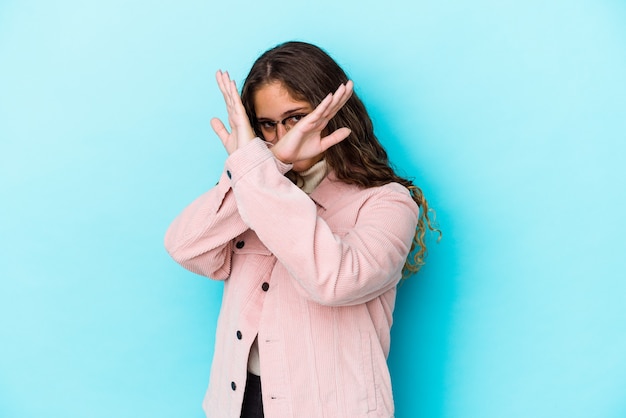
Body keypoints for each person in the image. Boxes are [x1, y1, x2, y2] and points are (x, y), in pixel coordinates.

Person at [164, 41, 438, 418]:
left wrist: (260, 176)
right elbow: (187, 248)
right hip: (240, 401)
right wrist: (268, 165)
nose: (283, 134)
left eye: (296, 117)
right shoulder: (253, 192)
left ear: (332, 112)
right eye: (268, 125)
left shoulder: (387, 202)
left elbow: (335, 281)